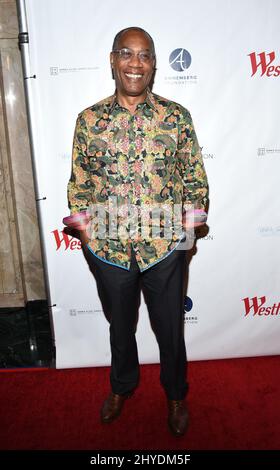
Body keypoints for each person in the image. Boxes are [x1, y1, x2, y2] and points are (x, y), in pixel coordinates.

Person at [66, 26, 208, 437]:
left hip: (165, 250)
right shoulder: (89, 120)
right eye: (127, 53)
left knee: (170, 330)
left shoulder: (176, 117)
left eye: (144, 55)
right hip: (109, 251)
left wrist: (185, 237)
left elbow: (196, 183)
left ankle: (176, 395)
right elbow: (78, 187)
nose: (135, 63)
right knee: (119, 328)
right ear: (113, 60)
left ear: (154, 64)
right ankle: (121, 387)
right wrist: (90, 240)